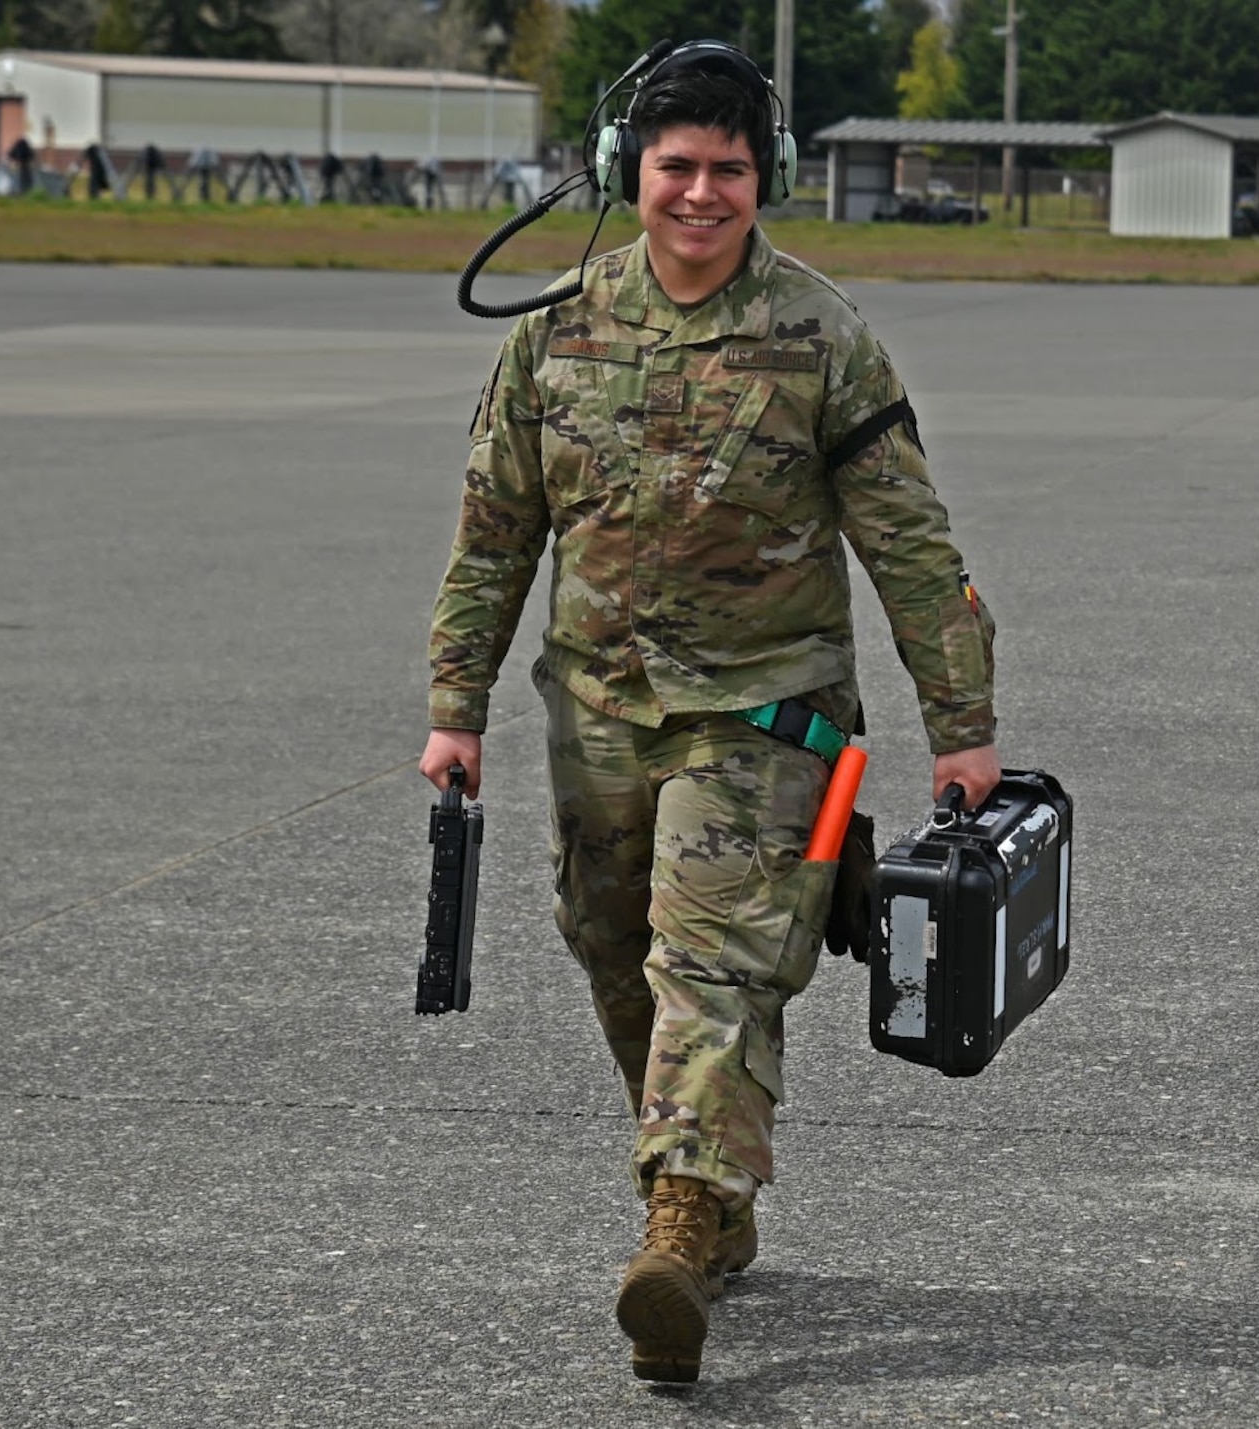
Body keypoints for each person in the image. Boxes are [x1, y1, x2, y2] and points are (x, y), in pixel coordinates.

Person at [419, 40, 999, 1383]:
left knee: (710, 959)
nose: (700, 193)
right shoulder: (552, 336)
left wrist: (961, 718)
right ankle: (716, 1188)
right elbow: (495, 535)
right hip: (600, 717)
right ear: (632, 173)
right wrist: (458, 703)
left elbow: (910, 541)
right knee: (614, 948)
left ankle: (675, 1221)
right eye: (676, 165)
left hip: (765, 722)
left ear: (765, 179)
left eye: (727, 169)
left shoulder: (823, 340)